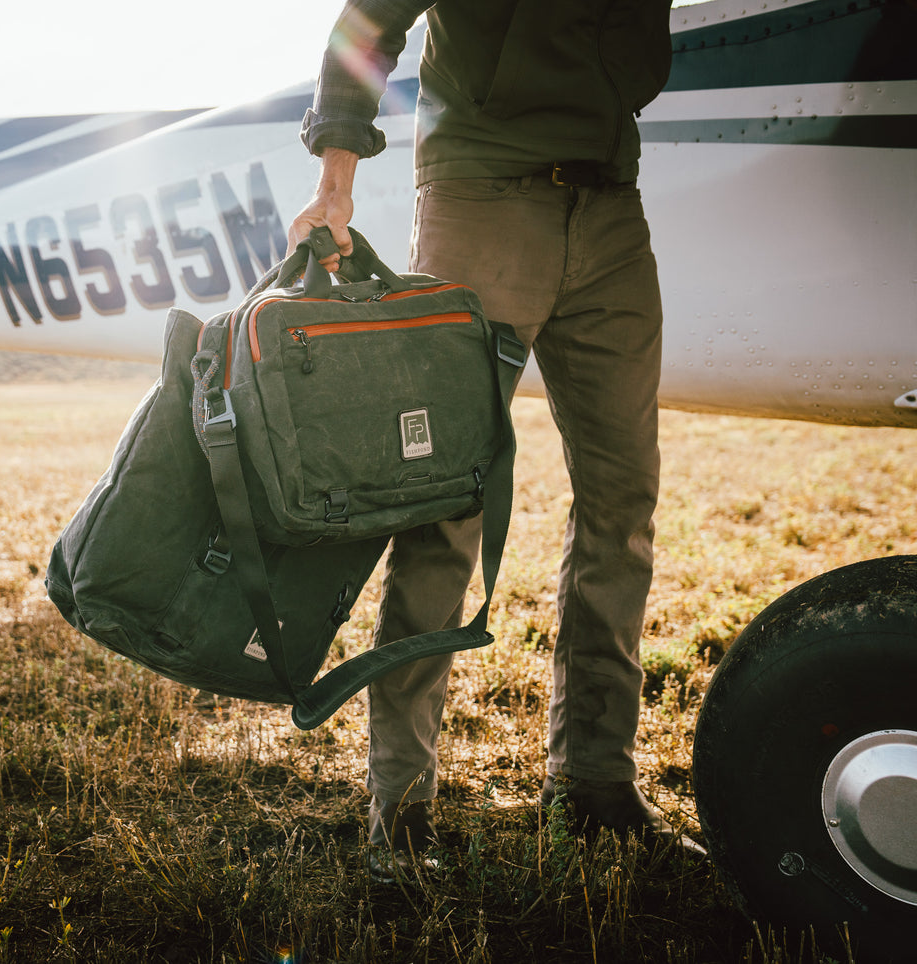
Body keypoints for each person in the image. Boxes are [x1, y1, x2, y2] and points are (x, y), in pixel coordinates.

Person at [287, 0, 703, 881]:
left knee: (623, 504)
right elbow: (366, 20)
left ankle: (594, 785)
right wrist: (336, 178)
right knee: (443, 509)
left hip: (610, 210)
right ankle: (398, 811)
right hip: (480, 204)